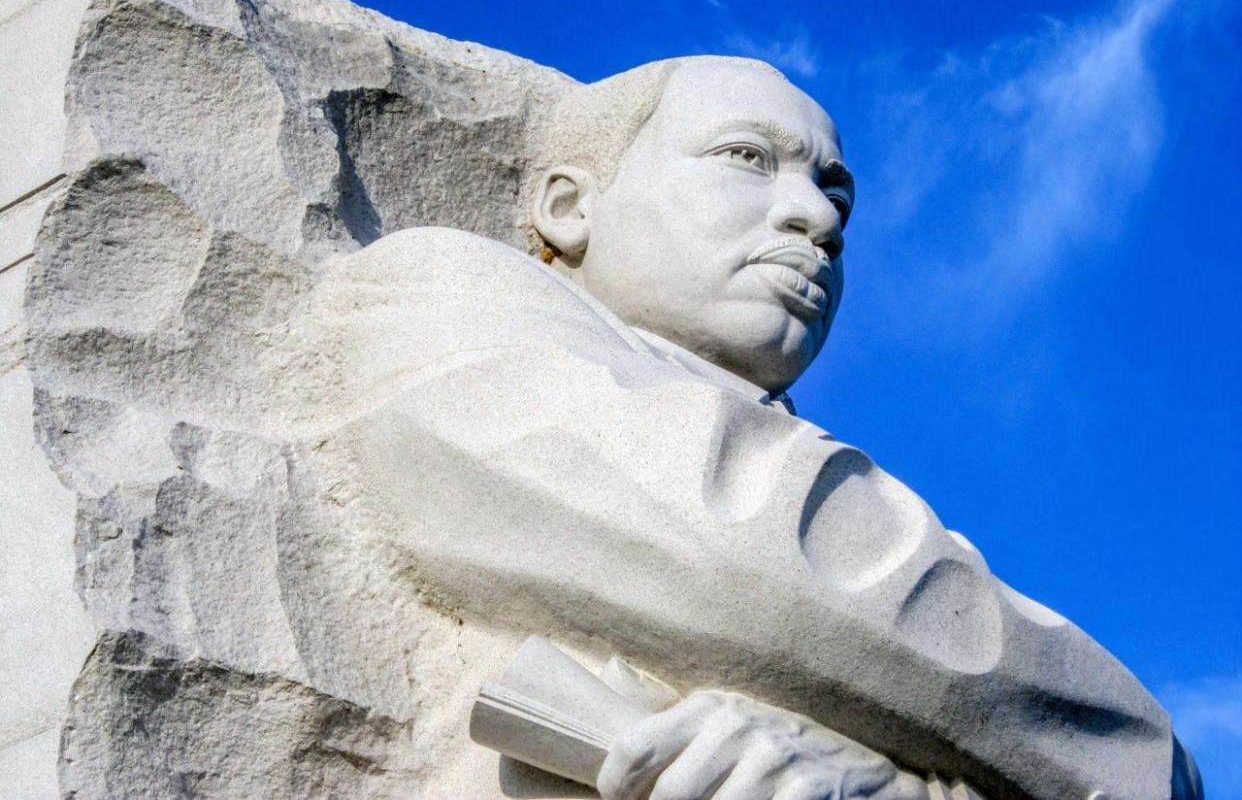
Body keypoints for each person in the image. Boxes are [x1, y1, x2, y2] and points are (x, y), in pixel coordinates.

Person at [300, 56, 1199, 799]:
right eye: (747, 157)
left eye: (835, 195)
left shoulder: (798, 444)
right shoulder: (440, 293)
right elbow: (762, 569)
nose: (818, 219)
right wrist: (1143, 753)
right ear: (568, 208)